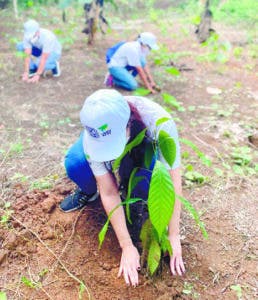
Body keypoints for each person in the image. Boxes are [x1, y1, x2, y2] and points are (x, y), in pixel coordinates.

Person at [60, 89, 185, 286]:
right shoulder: (95, 134)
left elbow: (173, 183)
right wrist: (126, 245)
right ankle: (89, 193)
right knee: (76, 163)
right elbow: (108, 192)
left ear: (129, 124)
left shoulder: (160, 123)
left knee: (145, 185)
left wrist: (173, 234)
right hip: (105, 140)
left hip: (144, 145)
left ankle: (134, 194)